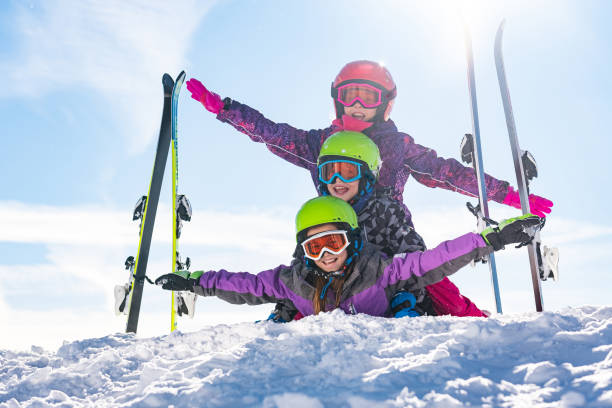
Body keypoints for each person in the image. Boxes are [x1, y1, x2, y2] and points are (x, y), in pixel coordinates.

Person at [186, 60, 553, 232]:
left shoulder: (397, 145)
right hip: (334, 238)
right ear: (338, 100)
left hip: (389, 238)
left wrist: (507, 195)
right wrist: (225, 109)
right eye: (351, 95)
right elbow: (270, 132)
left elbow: (449, 174)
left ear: (385, 103)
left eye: (368, 96)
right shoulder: (319, 143)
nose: (358, 104)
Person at [155, 196, 542, 319]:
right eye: (314, 248)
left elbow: (436, 258)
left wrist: (492, 237)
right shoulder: (291, 281)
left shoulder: (382, 270)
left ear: (352, 241)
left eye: (334, 243)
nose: (325, 255)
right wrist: (195, 281)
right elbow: (242, 284)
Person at [269, 130, 486, 322]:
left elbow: (413, 258)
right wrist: (284, 309)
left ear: (367, 175)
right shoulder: (322, 213)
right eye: (329, 172)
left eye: (347, 172)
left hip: (391, 288)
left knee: (442, 288)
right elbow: (302, 266)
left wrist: (407, 298)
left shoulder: (384, 209)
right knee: (306, 305)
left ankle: (479, 321)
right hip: (345, 291)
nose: (336, 180)